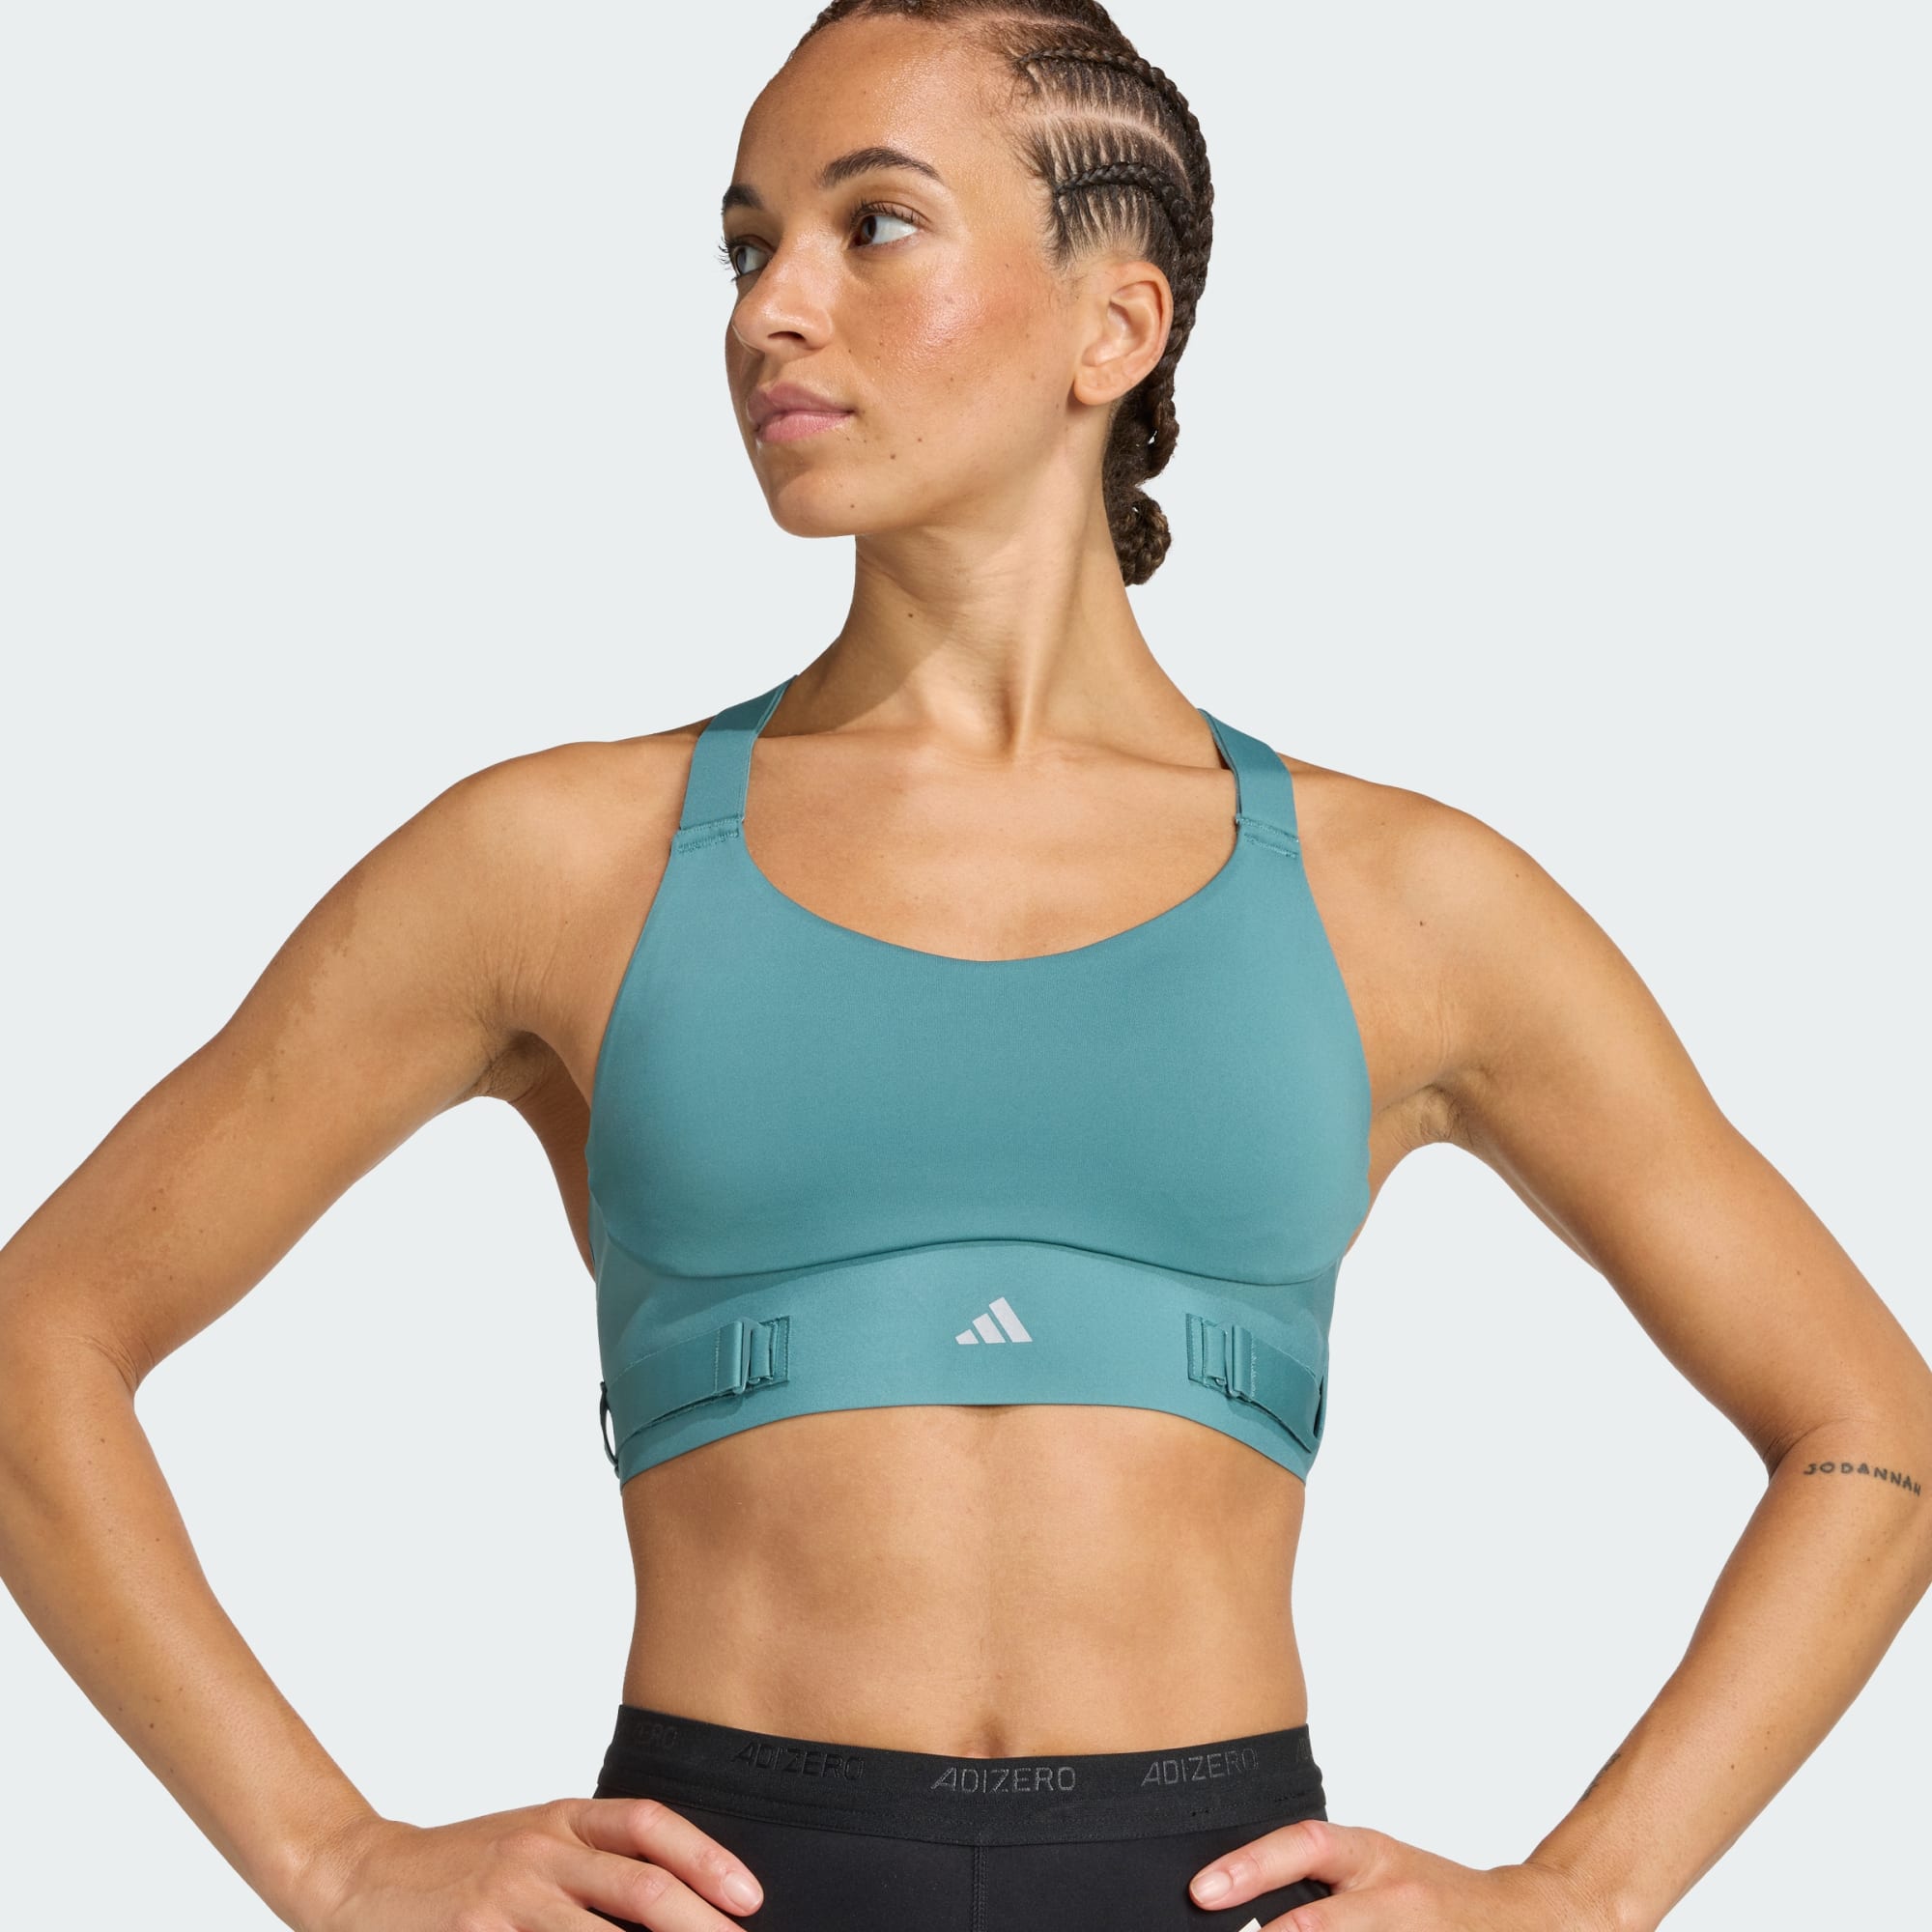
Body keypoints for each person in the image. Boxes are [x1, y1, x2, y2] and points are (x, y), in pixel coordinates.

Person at [2, 3, 1928, 1929]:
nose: (773, 309)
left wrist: (1579, 1895)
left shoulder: (1408, 902)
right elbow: (39, 1337)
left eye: (874, 226)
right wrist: (330, 1857)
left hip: (1211, 1884)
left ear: (1116, 325)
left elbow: (1868, 1429)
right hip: (720, 1882)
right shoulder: (559, 860)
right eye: (747, 246)